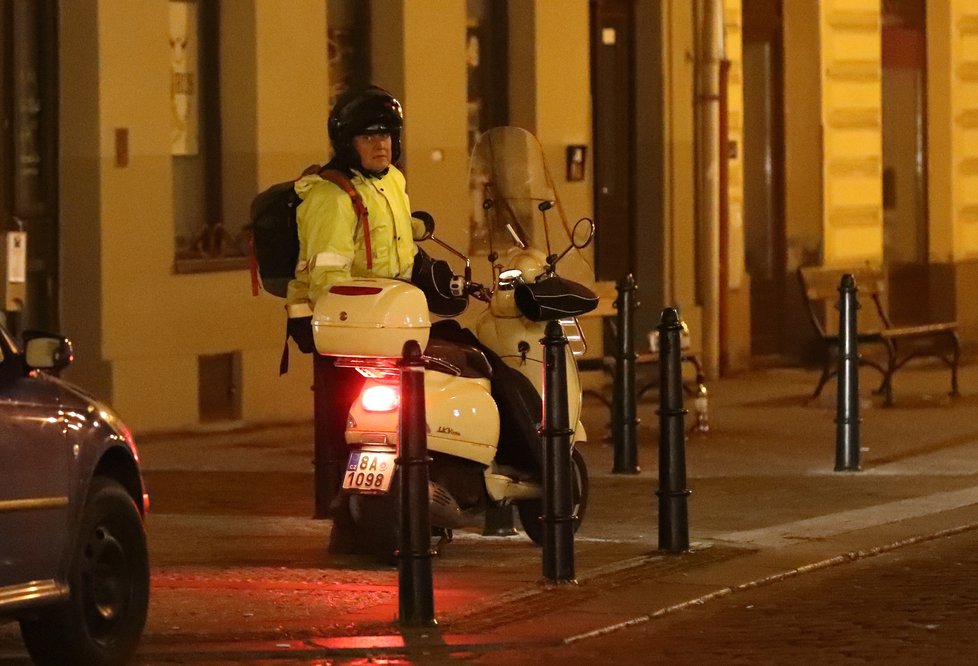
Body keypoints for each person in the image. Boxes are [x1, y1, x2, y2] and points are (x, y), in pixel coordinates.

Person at [286, 85, 418, 553]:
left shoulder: (392, 182)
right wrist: (376, 302)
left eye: (387, 134)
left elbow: (399, 252)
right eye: (368, 136)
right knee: (353, 433)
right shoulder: (331, 197)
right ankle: (348, 524)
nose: (381, 144)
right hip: (345, 329)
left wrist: (427, 273)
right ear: (347, 143)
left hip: (392, 324)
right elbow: (326, 279)